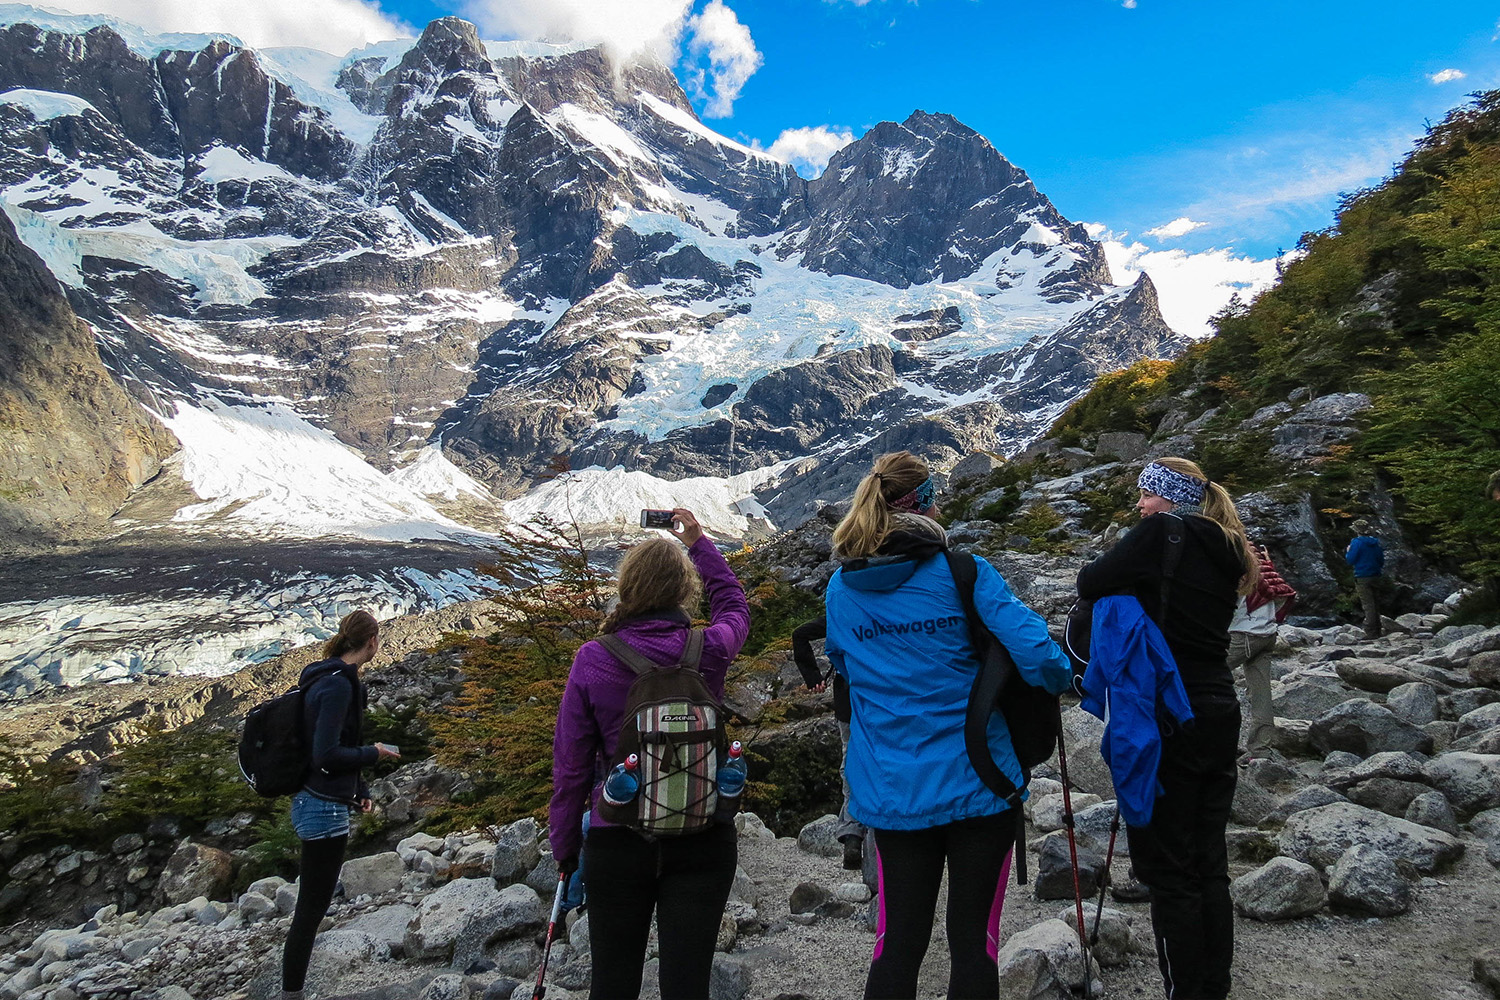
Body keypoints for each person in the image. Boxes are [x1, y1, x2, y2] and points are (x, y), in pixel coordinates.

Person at [822, 451, 1071, 1000]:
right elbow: (1041, 657)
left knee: (897, 942)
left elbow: (844, 669)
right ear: (926, 504)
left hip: (891, 791)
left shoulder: (841, 589)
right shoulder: (964, 572)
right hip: (979, 782)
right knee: (972, 941)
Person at [548, 508, 750, 1000]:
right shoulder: (709, 648)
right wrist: (699, 542)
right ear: (684, 592)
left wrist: (566, 851)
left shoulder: (594, 658)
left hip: (618, 838)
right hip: (704, 837)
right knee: (688, 984)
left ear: (629, 590)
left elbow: (571, 766)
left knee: (613, 983)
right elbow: (735, 606)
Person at [1076, 457, 1255, 1000]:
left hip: (1166, 709)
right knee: (1209, 860)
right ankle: (1213, 985)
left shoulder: (1162, 533)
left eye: (1146, 494)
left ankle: (1187, 990)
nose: (1140, 505)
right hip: (1218, 705)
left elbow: (1091, 581)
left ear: (1168, 497)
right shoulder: (1229, 545)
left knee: (1170, 869)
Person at [282, 610, 400, 1000]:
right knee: (311, 911)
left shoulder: (326, 677)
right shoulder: (338, 688)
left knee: (312, 908)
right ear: (371, 642)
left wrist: (359, 787)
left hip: (318, 800)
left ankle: (291, 990)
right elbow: (327, 754)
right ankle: (291, 993)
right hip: (322, 807)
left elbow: (335, 743)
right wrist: (375, 753)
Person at [791, 615, 867, 871]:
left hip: (847, 699)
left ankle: (852, 835)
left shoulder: (842, 608)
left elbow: (800, 633)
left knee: (850, 764)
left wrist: (813, 676)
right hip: (884, 698)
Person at [1229, 543, 1296, 766]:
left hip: (1243, 635)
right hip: (1267, 634)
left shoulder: (1240, 568)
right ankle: (1260, 751)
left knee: (1196, 676)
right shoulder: (1265, 567)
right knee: (1261, 694)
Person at [1345, 519, 1385, 640]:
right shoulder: (1375, 542)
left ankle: (1371, 632)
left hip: (1362, 576)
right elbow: (1381, 560)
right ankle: (1378, 630)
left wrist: (1348, 551)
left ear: (1357, 531)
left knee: (1368, 605)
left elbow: (1350, 560)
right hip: (1376, 575)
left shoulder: (1356, 543)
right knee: (1375, 603)